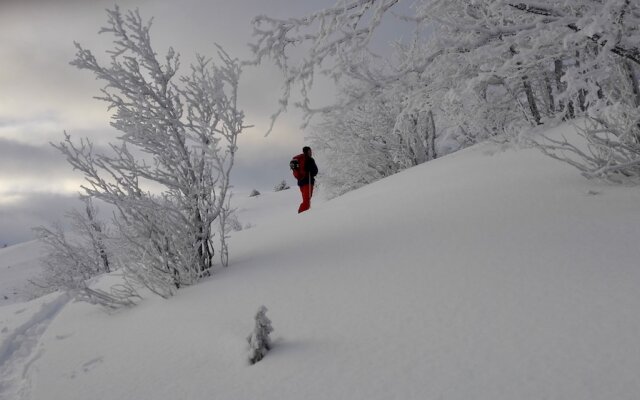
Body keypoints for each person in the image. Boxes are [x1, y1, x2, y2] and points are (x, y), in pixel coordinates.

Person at [292, 146, 318, 213]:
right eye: (310, 151)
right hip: (308, 182)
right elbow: (315, 171)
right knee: (307, 200)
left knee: (306, 199)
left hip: (301, 183)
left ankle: (304, 214)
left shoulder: (300, 159)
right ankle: (301, 215)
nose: (311, 152)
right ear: (308, 151)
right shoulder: (309, 159)